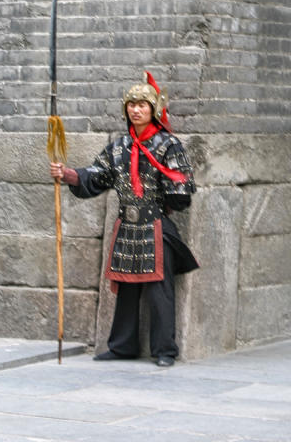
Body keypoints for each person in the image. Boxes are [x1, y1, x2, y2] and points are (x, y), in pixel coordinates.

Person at [50, 71, 198, 367]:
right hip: (127, 225)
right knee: (126, 288)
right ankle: (121, 347)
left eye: (142, 104)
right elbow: (98, 174)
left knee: (159, 291)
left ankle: (165, 350)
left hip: (155, 224)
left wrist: (174, 190)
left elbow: (180, 183)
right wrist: (68, 174)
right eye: (131, 104)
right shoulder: (119, 147)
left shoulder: (169, 145)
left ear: (153, 109)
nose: (136, 109)